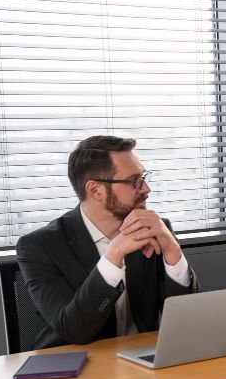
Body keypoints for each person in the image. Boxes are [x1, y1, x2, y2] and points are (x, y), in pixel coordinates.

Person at [16, 136, 198, 349]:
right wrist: (113, 256)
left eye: (144, 177)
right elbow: (74, 330)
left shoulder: (155, 229)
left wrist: (173, 252)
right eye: (134, 181)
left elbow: (187, 321)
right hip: (75, 369)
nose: (146, 188)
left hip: (142, 362)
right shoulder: (40, 246)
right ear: (95, 190)